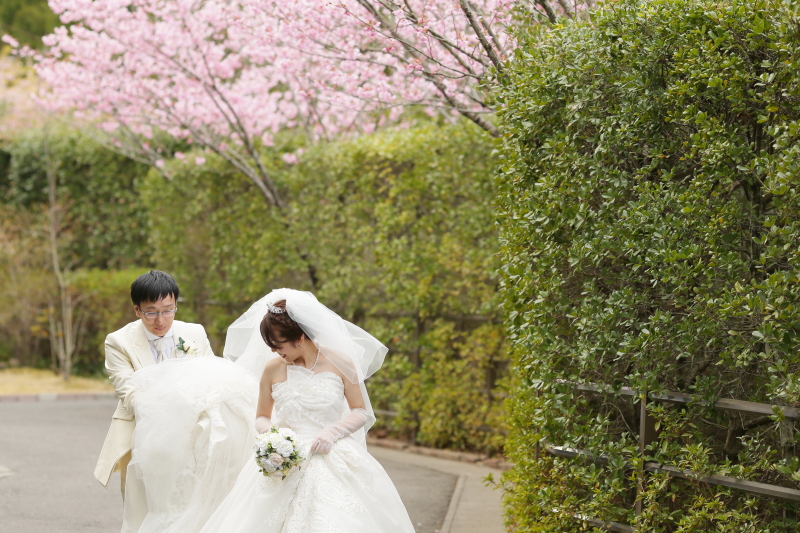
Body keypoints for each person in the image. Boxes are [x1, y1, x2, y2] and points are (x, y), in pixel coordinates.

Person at [198, 288, 416, 533]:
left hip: (331, 453)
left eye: (278, 344)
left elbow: (360, 411)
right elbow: (261, 416)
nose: (274, 351)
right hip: (284, 457)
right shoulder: (272, 369)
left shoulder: (340, 362)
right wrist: (272, 436)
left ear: (300, 338)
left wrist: (333, 432)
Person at [93, 270, 216, 533]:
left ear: (175, 306)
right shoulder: (118, 342)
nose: (161, 320)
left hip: (192, 436)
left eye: (168, 310)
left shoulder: (195, 332)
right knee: (143, 512)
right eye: (151, 312)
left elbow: (212, 382)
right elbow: (130, 394)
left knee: (190, 507)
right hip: (143, 435)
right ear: (137, 310)